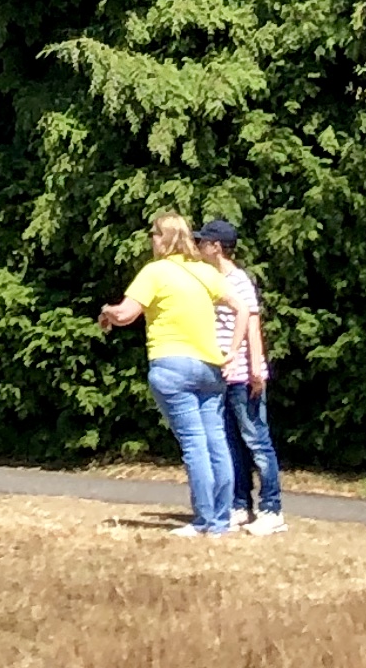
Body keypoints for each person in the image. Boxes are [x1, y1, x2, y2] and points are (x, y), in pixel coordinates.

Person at [100, 212, 236, 537]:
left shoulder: (155, 272)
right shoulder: (205, 272)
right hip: (210, 367)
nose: (151, 239)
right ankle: (221, 521)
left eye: (154, 233)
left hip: (172, 364)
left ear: (165, 238)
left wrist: (107, 312)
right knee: (216, 442)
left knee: (194, 445)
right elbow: (241, 307)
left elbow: (126, 314)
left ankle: (203, 521)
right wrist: (232, 349)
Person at [195, 216, 284, 532]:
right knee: (231, 443)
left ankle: (272, 509)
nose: (198, 246)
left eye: (203, 242)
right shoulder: (211, 280)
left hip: (244, 375)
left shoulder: (239, 281)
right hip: (222, 376)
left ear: (216, 247)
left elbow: (252, 326)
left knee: (257, 441)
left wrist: (257, 369)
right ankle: (239, 505)